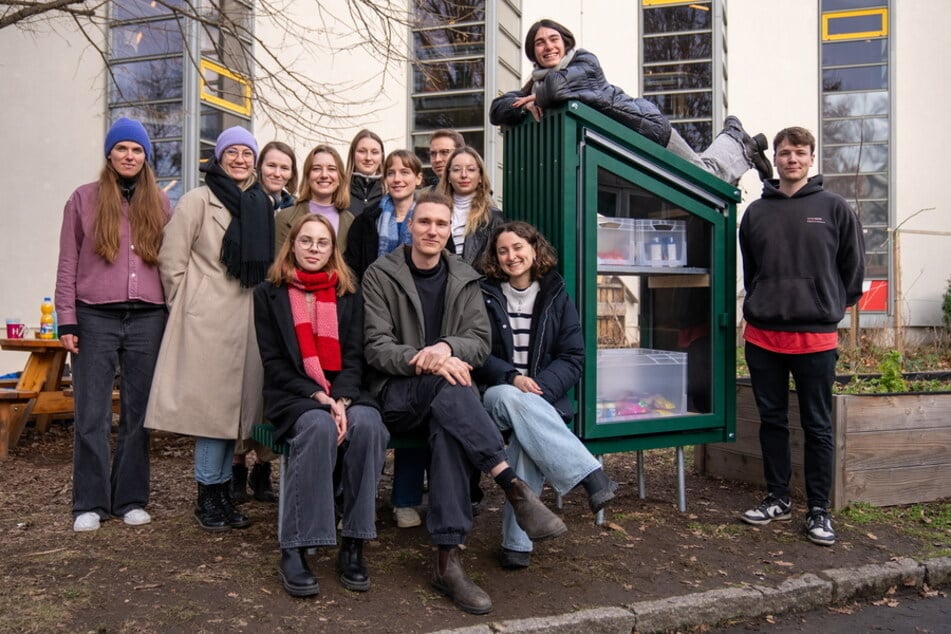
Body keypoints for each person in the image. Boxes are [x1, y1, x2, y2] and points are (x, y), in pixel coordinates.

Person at [361, 190, 567, 615]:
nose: (432, 230)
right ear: (410, 226)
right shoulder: (380, 275)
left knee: (452, 428)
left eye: (440, 224)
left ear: (448, 230)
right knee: (450, 388)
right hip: (396, 393)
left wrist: (445, 347)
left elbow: (478, 342)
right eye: (424, 222)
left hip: (450, 402)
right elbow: (376, 347)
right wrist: (429, 361)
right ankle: (510, 483)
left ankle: (447, 563)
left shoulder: (465, 277)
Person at [737, 126, 865, 547]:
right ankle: (777, 497)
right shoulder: (755, 213)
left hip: (815, 338)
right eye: (784, 152)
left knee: (817, 425)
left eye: (800, 152)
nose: (792, 159)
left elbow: (852, 271)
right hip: (763, 337)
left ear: (812, 158)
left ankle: (818, 511)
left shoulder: (835, 208)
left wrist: (827, 309)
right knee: (771, 421)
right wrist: (762, 302)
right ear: (775, 159)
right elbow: (752, 271)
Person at [145, 126, 273, 532]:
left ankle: (222, 495)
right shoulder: (197, 200)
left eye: (246, 153)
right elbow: (171, 260)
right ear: (218, 158)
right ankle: (207, 496)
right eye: (231, 152)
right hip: (205, 324)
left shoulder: (260, 203)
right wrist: (188, 305)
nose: (239, 159)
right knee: (209, 417)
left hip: (248, 321)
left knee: (234, 416)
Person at [254, 213, 389, 597]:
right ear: (292, 245)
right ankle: (295, 547)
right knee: (318, 426)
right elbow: (273, 363)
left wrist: (342, 399)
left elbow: (355, 358)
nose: (314, 249)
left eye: (322, 242)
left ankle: (354, 543)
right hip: (294, 396)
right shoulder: (268, 294)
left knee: (369, 426)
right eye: (306, 241)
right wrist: (320, 398)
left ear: (333, 250)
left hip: (346, 392)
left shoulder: (349, 292)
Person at [475, 221, 618, 569]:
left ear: (534, 250)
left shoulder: (556, 295)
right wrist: (511, 377)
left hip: (540, 401)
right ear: (495, 257)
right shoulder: (484, 294)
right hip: (493, 396)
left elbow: (573, 357)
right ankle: (589, 474)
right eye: (503, 250)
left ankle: (517, 544)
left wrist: (538, 390)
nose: (511, 256)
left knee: (526, 434)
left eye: (518, 248)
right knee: (512, 398)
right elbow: (475, 352)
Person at [55, 117, 172, 532]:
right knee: (92, 413)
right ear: (110, 154)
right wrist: (65, 319)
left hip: (147, 317)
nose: (129, 155)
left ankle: (130, 498)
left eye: (137, 150)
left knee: (139, 414)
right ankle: (89, 502)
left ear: (145, 157)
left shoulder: (160, 202)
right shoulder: (83, 200)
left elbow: (172, 262)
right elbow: (68, 263)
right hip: (94, 315)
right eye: (122, 148)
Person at [489, 18, 772, 185]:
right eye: (540, 43)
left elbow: (555, 90)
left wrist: (534, 98)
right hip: (623, 148)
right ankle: (742, 144)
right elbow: (496, 110)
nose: (548, 46)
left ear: (565, 43)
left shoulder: (584, 63)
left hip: (647, 130)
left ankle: (737, 140)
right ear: (532, 51)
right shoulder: (534, 86)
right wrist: (524, 102)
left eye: (553, 40)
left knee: (705, 178)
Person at [344, 149, 428, 528]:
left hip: (417, 322)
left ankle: (406, 498)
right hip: (372, 317)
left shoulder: (428, 219)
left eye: (405, 173)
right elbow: (352, 270)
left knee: (413, 406)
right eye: (391, 173)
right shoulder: (367, 220)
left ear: (418, 179)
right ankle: (357, 496)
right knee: (367, 410)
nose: (397, 179)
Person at [230, 140, 300, 505]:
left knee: (271, 389)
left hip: (282, 305)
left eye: (284, 167)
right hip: (246, 302)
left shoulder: (293, 208)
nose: (277, 173)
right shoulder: (247, 201)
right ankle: (238, 465)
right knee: (244, 389)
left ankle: (264, 468)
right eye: (271, 166)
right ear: (260, 168)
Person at [275, 144, 354, 253]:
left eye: (331, 169)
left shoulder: (351, 222)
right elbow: (279, 266)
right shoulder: (284, 218)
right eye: (316, 169)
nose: (324, 175)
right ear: (307, 176)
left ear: (340, 178)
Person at [436, 146, 503, 271]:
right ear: (448, 176)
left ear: (480, 177)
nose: (464, 175)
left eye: (471, 169)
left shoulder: (493, 217)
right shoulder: (435, 212)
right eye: (456, 170)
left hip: (477, 286)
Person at [346, 129, 385, 216]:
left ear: (381, 157)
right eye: (362, 151)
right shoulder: (339, 190)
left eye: (374, 152)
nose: (368, 158)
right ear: (353, 154)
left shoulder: (390, 192)